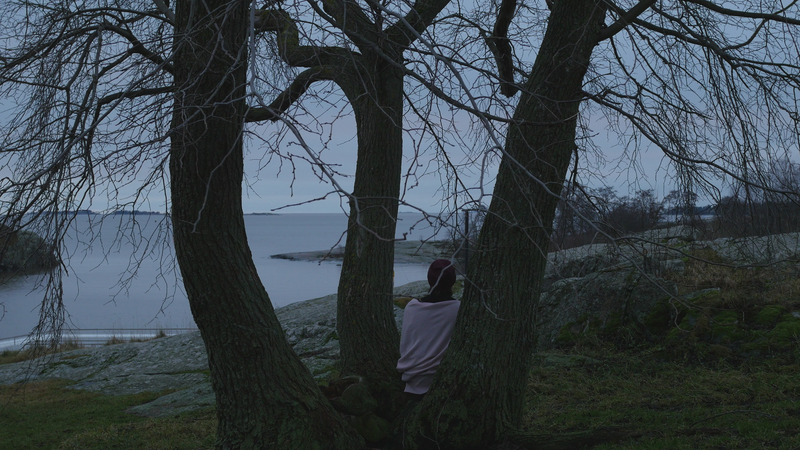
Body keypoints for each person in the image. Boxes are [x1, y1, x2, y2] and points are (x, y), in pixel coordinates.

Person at [396, 259, 460, 395]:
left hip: (410, 377)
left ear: (429, 279)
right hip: (438, 379)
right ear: (452, 281)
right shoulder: (457, 309)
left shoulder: (412, 307)